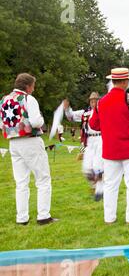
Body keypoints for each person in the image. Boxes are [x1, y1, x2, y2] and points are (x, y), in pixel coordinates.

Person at [89, 68, 129, 224]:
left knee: (110, 185)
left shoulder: (101, 102)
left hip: (111, 150)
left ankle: (109, 218)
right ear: (124, 82)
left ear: (113, 81)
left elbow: (93, 124)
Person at [0, 73, 58, 225]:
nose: (33, 89)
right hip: (30, 141)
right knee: (43, 179)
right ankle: (44, 216)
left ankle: (22, 218)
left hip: (13, 143)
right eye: (33, 86)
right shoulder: (28, 99)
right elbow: (36, 121)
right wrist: (40, 121)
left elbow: (2, 124)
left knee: (21, 182)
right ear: (27, 86)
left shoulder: (4, 100)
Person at [63, 92, 104, 201]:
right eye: (91, 100)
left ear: (98, 101)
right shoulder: (84, 112)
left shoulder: (104, 111)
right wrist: (67, 109)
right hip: (89, 140)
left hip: (101, 139)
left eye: (95, 100)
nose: (93, 102)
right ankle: (95, 186)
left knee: (97, 166)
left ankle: (100, 190)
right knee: (86, 168)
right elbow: (71, 117)